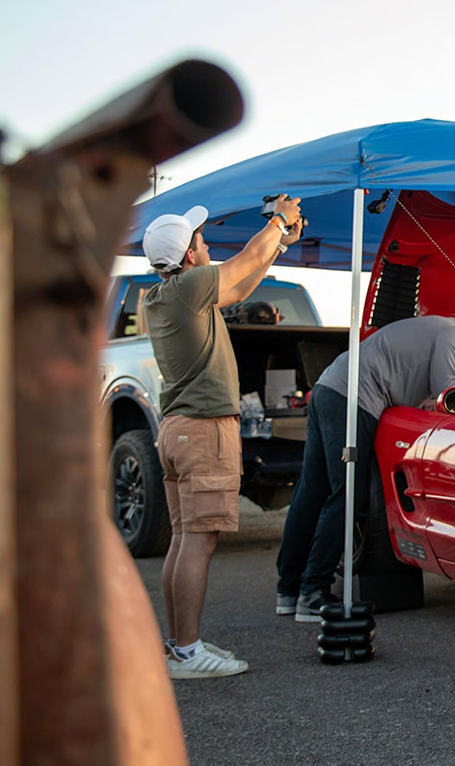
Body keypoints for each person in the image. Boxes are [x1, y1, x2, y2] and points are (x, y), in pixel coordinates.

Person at [143, 195, 304, 679]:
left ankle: (180, 645)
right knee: (199, 540)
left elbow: (240, 285)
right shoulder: (190, 286)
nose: (207, 244)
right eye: (201, 240)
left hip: (179, 430)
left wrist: (278, 245)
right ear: (189, 255)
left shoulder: (168, 295)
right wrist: (279, 220)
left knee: (184, 538)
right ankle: (188, 651)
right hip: (203, 429)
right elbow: (245, 258)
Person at [275, 301, 455, 623]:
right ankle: (313, 593)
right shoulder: (452, 333)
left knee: (311, 492)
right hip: (353, 401)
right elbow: (448, 394)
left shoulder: (432, 327)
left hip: (329, 389)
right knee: (347, 496)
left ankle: (288, 590)